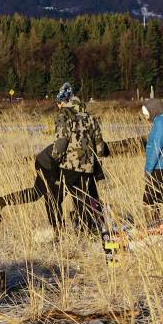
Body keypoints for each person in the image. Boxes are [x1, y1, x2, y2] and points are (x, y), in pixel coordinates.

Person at [52, 83, 108, 233]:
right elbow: (99, 143)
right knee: (86, 196)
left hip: (71, 165)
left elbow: (61, 141)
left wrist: (55, 159)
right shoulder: (90, 117)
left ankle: (68, 229)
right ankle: (93, 226)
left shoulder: (64, 116)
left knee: (60, 196)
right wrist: (98, 160)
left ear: (64, 101)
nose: (58, 106)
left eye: (58, 102)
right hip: (88, 166)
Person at [0, 142, 63, 229]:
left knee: (36, 193)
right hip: (47, 163)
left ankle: (0, 202)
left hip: (51, 163)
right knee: (51, 196)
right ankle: (58, 228)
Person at [142, 97, 163, 225]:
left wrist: (148, 169)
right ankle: (161, 222)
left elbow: (156, 147)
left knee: (148, 198)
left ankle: (153, 224)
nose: (145, 116)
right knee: (158, 196)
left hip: (158, 166)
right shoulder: (162, 122)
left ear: (154, 110)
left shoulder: (160, 123)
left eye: (147, 112)